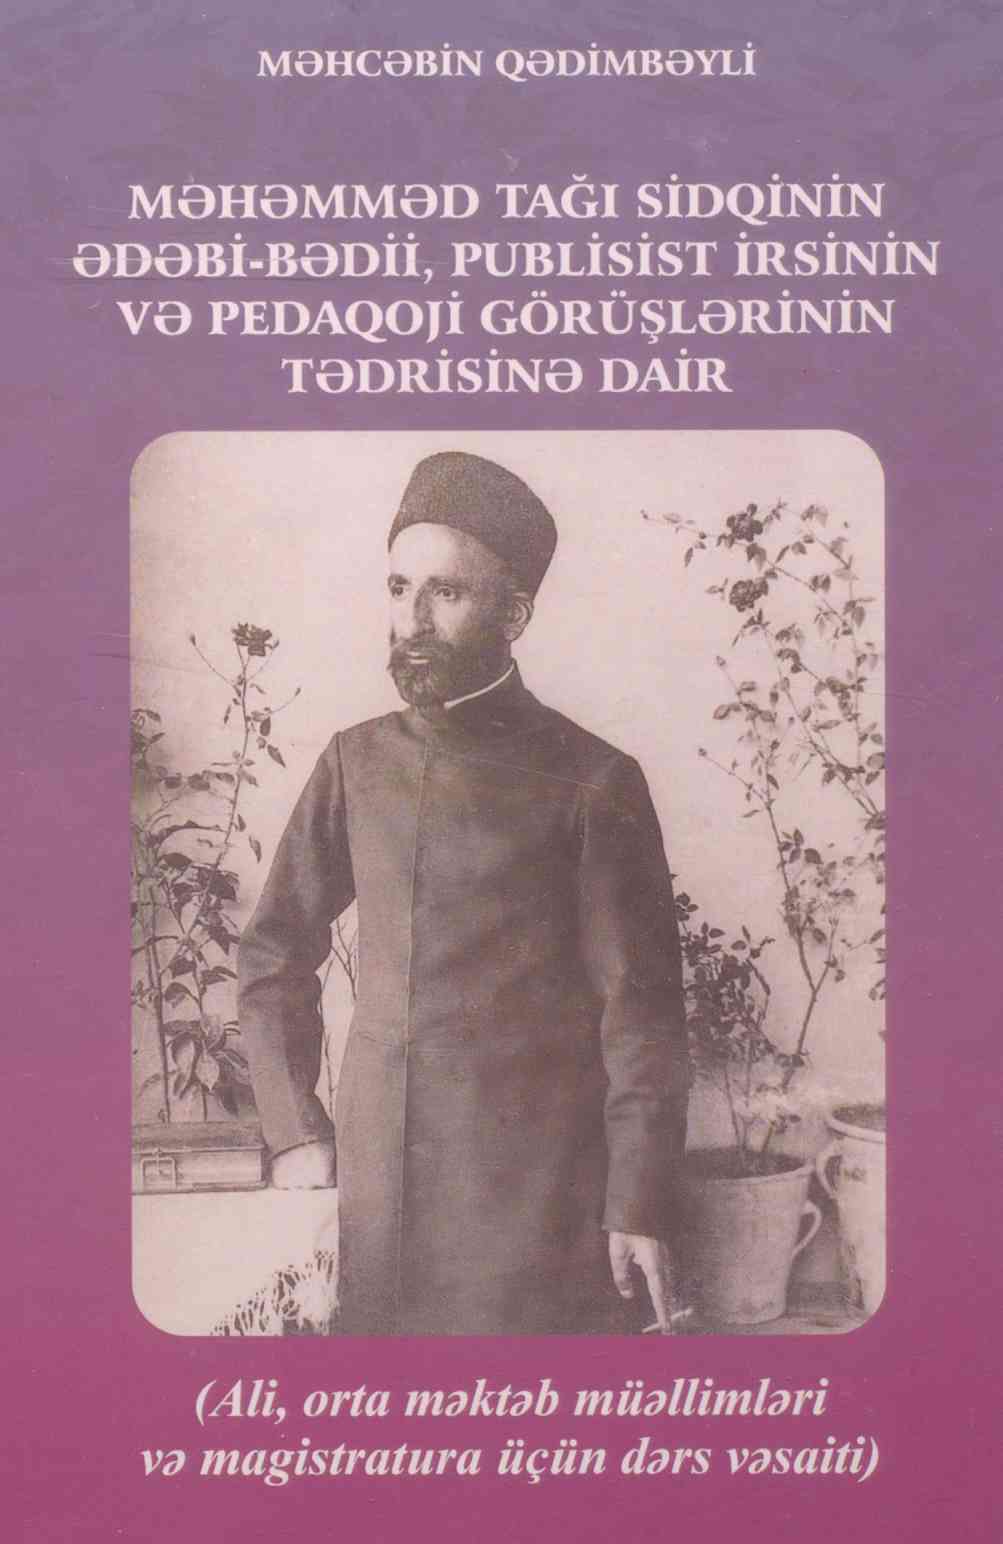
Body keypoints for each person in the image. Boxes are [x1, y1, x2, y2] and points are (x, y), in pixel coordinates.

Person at [237, 450, 689, 1335]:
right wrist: (295, 1130)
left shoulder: (595, 778)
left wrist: (638, 1202)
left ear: (512, 614)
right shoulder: (355, 761)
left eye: (445, 593)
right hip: (381, 1184)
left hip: (536, 1190)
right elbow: (273, 950)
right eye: (398, 588)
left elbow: (641, 1011)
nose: (412, 621)